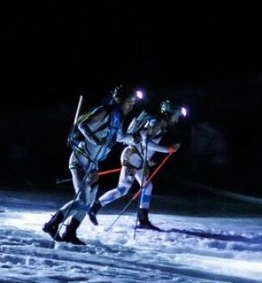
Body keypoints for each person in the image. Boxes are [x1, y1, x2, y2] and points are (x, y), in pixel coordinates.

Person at [42, 85, 142, 245]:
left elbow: (119, 136)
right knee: (82, 200)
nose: (132, 106)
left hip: (93, 164)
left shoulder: (119, 117)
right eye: (130, 101)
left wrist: (133, 138)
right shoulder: (105, 111)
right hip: (80, 160)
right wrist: (95, 140)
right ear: (121, 100)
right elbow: (83, 126)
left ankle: (70, 232)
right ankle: (52, 224)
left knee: (88, 202)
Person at [88, 100, 184, 231]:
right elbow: (146, 144)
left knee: (147, 186)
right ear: (170, 113)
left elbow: (145, 145)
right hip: (131, 158)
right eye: (177, 114)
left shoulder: (162, 124)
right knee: (122, 190)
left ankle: (143, 219)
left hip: (139, 160)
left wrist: (149, 160)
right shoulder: (156, 123)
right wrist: (168, 149)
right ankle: (94, 208)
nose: (178, 117)